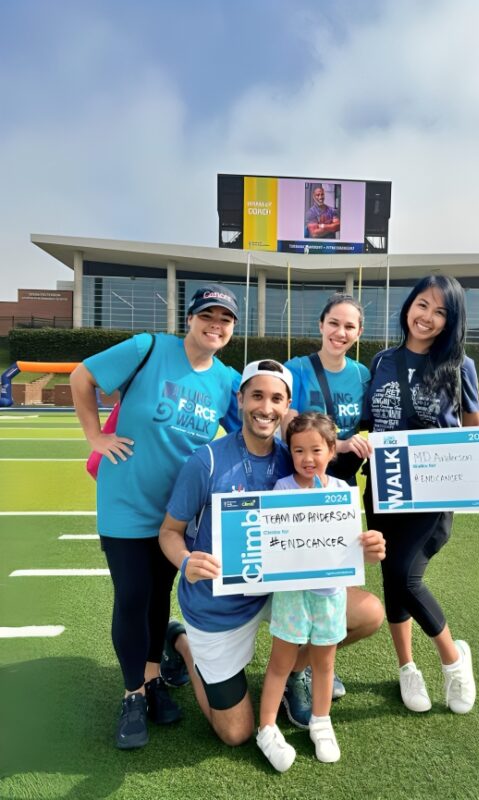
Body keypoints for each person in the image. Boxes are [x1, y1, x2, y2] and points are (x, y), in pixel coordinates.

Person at [158, 360, 386, 751]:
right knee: (236, 733)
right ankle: (182, 643)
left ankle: (295, 670)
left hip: (280, 593)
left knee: (369, 613)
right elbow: (170, 532)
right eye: (257, 396)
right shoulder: (206, 461)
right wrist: (186, 562)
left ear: (287, 405)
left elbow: (323, 531)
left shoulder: (294, 457)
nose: (266, 407)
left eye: (276, 398)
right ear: (241, 399)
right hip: (221, 604)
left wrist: (360, 547)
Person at [70, 283, 242, 750]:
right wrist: (94, 437)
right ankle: (131, 695)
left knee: (158, 597)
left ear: (232, 328)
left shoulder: (227, 379)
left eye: (225, 319)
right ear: (190, 318)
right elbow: (82, 377)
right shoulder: (149, 348)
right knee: (132, 595)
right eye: (208, 315)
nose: (216, 325)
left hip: (177, 515)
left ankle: (152, 680)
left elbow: (252, 430)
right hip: (125, 500)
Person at [362, 274, 479, 716]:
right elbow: (369, 423)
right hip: (385, 486)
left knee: (407, 575)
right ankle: (407, 667)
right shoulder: (381, 361)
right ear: (409, 306)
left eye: (440, 311)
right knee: (391, 576)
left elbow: (473, 424)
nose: (427, 317)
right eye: (422, 305)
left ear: (451, 321)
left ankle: (453, 661)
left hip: (433, 491)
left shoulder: (459, 365)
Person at [258, 412, 348, 772]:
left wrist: (369, 544)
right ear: (289, 452)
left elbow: (350, 544)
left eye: (316, 450)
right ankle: (266, 727)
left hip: (330, 593)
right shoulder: (282, 489)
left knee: (324, 662)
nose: (307, 459)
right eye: (298, 451)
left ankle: (321, 722)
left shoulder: (341, 491)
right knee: (281, 662)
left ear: (331, 450)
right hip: (292, 595)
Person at [283, 293, 371, 486]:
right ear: (321, 325)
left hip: (344, 476)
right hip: (304, 476)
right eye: (333, 323)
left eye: (349, 327)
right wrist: (342, 446)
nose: (340, 333)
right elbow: (288, 434)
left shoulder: (361, 374)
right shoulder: (295, 369)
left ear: (359, 332)